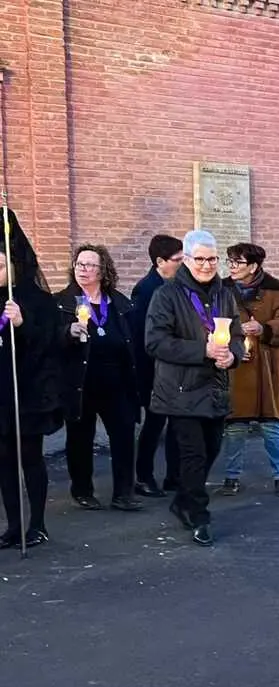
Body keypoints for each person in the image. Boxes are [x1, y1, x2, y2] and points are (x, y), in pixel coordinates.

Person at [145, 230, 244, 546]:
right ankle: (200, 516)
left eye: (212, 258)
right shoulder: (167, 294)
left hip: (215, 388)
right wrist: (202, 350)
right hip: (180, 391)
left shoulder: (225, 294)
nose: (206, 265)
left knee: (212, 449)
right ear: (186, 260)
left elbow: (238, 335)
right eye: (199, 259)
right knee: (194, 455)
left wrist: (234, 355)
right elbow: (155, 341)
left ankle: (183, 501)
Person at [55, 245, 143, 512]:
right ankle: (82, 490)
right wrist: (66, 333)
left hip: (117, 382)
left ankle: (123, 493)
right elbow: (47, 342)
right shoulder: (61, 302)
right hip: (81, 382)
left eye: (90, 265)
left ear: (103, 270)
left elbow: (133, 341)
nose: (83, 270)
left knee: (124, 435)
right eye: (79, 264)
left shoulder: (119, 303)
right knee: (80, 438)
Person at [0, 208, 63, 548]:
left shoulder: (36, 299)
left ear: (14, 264)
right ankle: (12, 526)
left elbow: (50, 343)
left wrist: (22, 325)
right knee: (4, 462)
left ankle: (36, 524)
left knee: (30, 459)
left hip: (27, 392)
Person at [220, 242, 279, 497]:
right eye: (230, 262)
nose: (232, 267)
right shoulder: (221, 290)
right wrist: (232, 344)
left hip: (268, 367)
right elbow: (211, 322)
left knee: (272, 426)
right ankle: (231, 478)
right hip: (237, 368)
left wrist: (264, 329)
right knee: (235, 427)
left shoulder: (273, 289)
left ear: (254, 266)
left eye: (238, 262)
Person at [130, 234, 184, 498]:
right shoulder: (146, 289)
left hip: (174, 370)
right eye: (177, 259)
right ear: (160, 261)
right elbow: (142, 338)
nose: (182, 264)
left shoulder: (176, 285)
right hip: (153, 371)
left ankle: (174, 476)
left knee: (176, 423)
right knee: (154, 424)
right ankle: (143, 476)